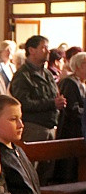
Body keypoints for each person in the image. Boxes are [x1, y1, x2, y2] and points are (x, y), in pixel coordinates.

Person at [9, 35, 66, 185]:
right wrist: (51, 104)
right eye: (43, 47)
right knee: (31, 170)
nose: (47, 51)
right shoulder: (23, 75)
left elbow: (54, 94)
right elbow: (22, 103)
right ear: (31, 50)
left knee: (47, 170)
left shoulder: (47, 73)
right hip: (34, 127)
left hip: (50, 126)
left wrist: (58, 102)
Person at [56, 52, 86, 181]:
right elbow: (72, 109)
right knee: (69, 170)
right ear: (79, 66)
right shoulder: (70, 83)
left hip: (79, 132)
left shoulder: (81, 83)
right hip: (70, 131)